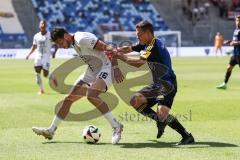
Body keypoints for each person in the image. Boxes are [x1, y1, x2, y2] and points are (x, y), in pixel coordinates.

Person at [32, 28, 124, 144]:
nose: (60, 46)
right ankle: (51, 130)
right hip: (92, 71)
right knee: (68, 99)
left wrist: (116, 68)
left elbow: (108, 48)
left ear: (66, 36)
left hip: (107, 66)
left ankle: (116, 127)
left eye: (60, 43)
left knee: (92, 95)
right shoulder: (74, 43)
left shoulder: (82, 39)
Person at [115, 20, 194, 145]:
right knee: (135, 101)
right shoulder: (148, 43)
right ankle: (159, 120)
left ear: (147, 33)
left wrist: (119, 56)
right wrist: (116, 49)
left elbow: (138, 63)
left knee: (162, 114)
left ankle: (186, 135)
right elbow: (130, 48)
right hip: (157, 84)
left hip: (167, 84)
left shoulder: (153, 46)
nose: (137, 36)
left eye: (139, 34)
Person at [26, 20, 58, 95]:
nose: (42, 25)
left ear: (46, 26)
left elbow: (56, 44)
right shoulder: (36, 36)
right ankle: (41, 89)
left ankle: (52, 77)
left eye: (44, 23)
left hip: (46, 56)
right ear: (39, 25)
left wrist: (54, 53)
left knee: (45, 74)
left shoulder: (50, 35)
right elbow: (34, 46)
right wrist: (28, 54)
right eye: (41, 23)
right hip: (38, 55)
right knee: (37, 72)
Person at [217, 16, 240, 89]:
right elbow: (235, 41)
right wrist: (229, 41)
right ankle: (224, 84)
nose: (237, 22)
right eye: (236, 20)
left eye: (238, 20)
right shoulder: (236, 30)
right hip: (235, 54)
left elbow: (237, 42)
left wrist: (234, 43)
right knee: (229, 68)